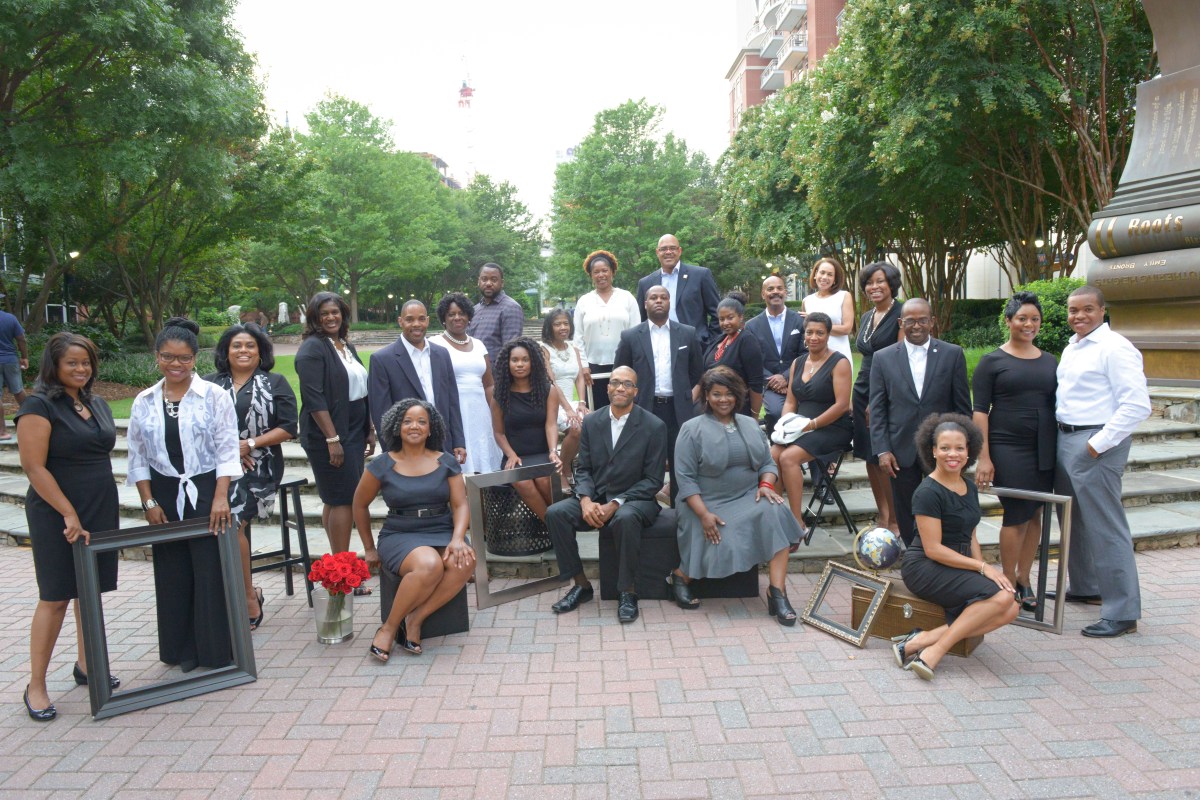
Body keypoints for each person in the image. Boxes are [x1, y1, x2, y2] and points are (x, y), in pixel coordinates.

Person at [127, 317, 240, 673]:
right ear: (157, 357)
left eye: (184, 358)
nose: (176, 364)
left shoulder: (214, 396)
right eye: (168, 357)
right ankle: (179, 649)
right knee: (172, 570)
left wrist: (220, 497)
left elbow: (227, 450)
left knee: (208, 569)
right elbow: (137, 457)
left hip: (206, 489)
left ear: (195, 358)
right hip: (163, 492)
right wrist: (149, 502)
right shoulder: (144, 401)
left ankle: (213, 651)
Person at [17, 333, 119, 721]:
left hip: (99, 505)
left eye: (86, 362)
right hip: (56, 511)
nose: (81, 369)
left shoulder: (95, 403)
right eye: (72, 363)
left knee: (89, 591)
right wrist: (68, 513)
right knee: (56, 595)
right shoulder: (38, 406)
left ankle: (88, 665)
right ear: (54, 366)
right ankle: (36, 685)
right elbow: (34, 467)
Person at [1053, 285, 1151, 638]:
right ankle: (1087, 586)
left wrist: (1096, 445)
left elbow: (1137, 405)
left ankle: (1122, 612)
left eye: (1087, 309)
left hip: (1096, 441)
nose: (1078, 316)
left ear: (1102, 310)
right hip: (1066, 437)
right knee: (1074, 520)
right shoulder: (1073, 347)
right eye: (1073, 310)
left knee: (1106, 525)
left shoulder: (1115, 347)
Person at [672, 367, 803, 624]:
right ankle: (680, 576)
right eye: (716, 394)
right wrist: (703, 514)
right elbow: (685, 480)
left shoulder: (750, 425)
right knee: (718, 537)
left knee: (776, 511)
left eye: (729, 393)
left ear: (738, 395)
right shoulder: (691, 429)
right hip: (703, 502)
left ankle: (777, 592)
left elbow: (767, 463)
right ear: (706, 396)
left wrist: (765, 485)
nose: (724, 399)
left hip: (746, 496)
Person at [894, 414, 1019, 680]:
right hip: (925, 567)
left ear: (969, 451)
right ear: (933, 451)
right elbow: (933, 549)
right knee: (1002, 598)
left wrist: (983, 570)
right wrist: (982, 567)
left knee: (1012, 607)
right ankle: (934, 652)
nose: (953, 454)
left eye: (959, 448)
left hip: (956, 563)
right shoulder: (927, 492)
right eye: (945, 448)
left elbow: (971, 534)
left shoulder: (969, 487)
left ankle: (920, 641)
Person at [545, 366, 667, 623]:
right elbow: (584, 468)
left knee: (624, 517)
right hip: (597, 496)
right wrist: (585, 499)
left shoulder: (654, 426)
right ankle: (581, 585)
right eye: (615, 382)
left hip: (637, 499)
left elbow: (653, 480)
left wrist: (616, 503)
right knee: (556, 513)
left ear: (636, 391)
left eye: (627, 384)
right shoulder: (592, 421)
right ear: (607, 387)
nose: (620, 388)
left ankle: (627, 591)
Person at [358, 400, 474, 660]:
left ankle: (415, 620)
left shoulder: (446, 462)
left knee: (465, 560)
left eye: (422, 422)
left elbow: (460, 504)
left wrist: (458, 538)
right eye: (407, 421)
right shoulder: (381, 464)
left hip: (441, 528)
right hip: (400, 533)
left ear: (430, 429)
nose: (414, 426)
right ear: (397, 427)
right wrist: (369, 548)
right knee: (429, 563)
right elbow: (359, 505)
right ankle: (389, 628)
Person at [204, 322, 298, 630]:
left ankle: (247, 597)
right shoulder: (208, 384)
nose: (243, 350)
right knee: (221, 525)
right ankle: (234, 593)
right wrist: (229, 449)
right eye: (236, 345)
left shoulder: (275, 382)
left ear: (260, 352)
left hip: (258, 465)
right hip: (217, 465)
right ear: (226, 351)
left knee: (232, 523)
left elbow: (289, 427)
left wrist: (250, 444)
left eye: (250, 345)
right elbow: (197, 425)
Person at [972, 292, 1058, 613]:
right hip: (1007, 446)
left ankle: (1024, 578)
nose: (1029, 324)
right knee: (1017, 514)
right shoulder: (991, 362)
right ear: (1008, 321)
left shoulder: (1050, 361)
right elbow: (979, 412)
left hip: (1044, 447)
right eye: (1022, 318)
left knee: (1035, 512)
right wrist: (984, 456)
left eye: (1035, 319)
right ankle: (1007, 582)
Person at [869, 298, 971, 546]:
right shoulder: (883, 358)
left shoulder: (952, 354)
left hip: (942, 448)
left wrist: (961, 448)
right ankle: (915, 555)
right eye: (910, 321)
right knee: (905, 508)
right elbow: (878, 409)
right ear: (900, 323)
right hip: (900, 449)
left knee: (946, 504)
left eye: (922, 320)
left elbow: (962, 408)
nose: (916, 326)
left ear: (932, 322)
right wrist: (882, 450)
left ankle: (945, 553)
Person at [295, 292, 376, 560]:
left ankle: (335, 568)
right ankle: (342, 569)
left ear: (343, 314)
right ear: (314, 318)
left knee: (336, 498)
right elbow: (313, 398)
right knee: (344, 498)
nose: (331, 317)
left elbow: (360, 390)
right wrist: (332, 439)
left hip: (353, 429)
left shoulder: (344, 345)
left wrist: (369, 428)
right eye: (324, 314)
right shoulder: (312, 348)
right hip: (327, 434)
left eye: (335, 312)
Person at [614, 285, 704, 506]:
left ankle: (680, 513)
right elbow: (620, 374)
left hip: (678, 410)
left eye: (663, 297)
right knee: (642, 462)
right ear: (645, 304)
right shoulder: (630, 336)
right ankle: (641, 510)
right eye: (653, 297)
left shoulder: (687, 333)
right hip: (644, 408)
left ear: (669, 302)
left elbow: (698, 373)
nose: (659, 301)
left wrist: (690, 397)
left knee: (680, 463)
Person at [770, 312, 854, 540]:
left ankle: (797, 522)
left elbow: (842, 405)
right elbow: (790, 401)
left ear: (828, 335)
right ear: (804, 335)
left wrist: (812, 424)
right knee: (773, 454)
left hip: (832, 427)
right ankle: (778, 516)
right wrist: (785, 424)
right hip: (801, 425)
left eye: (820, 333)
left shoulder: (840, 362)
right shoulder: (797, 363)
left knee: (788, 458)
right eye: (809, 332)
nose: (814, 337)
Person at [368, 299, 466, 463]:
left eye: (421, 319)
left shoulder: (442, 354)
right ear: (400, 321)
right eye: (409, 319)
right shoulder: (382, 359)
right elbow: (381, 412)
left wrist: (458, 441)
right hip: (405, 448)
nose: (416, 324)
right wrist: (392, 453)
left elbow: (452, 402)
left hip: (443, 445)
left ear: (427, 320)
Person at [852, 261, 904, 533]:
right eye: (869, 283)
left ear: (891, 283)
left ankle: (895, 519)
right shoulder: (866, 316)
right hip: (862, 387)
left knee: (884, 456)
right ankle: (882, 515)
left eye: (880, 281)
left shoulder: (901, 313)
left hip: (886, 391)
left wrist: (878, 401)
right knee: (868, 456)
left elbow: (900, 359)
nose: (874, 287)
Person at [428, 292, 502, 474]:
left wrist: (496, 412)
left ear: (469, 316)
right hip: (454, 411)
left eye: (461, 313)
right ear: (443, 318)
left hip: (480, 411)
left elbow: (488, 384)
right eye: (451, 314)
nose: (457, 317)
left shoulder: (479, 344)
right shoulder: (434, 344)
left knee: (484, 460)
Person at [491, 336, 561, 521]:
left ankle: (558, 522)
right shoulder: (499, 394)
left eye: (525, 360)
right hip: (516, 457)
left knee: (544, 480)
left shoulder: (548, 390)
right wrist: (511, 454)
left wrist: (553, 451)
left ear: (533, 362)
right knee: (523, 483)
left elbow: (551, 424)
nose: (519, 364)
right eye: (514, 360)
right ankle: (553, 526)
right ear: (507, 363)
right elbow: (498, 432)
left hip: (542, 453)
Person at [572, 250, 640, 408]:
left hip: (623, 364)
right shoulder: (584, 301)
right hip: (592, 368)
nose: (601, 275)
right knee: (597, 411)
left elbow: (637, 333)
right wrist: (584, 366)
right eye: (596, 272)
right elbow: (578, 337)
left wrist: (633, 365)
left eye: (605, 270)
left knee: (623, 408)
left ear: (612, 272)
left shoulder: (627, 298)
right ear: (591, 275)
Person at [744, 275, 806, 435]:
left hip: (799, 379)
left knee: (808, 412)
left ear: (785, 292)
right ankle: (777, 446)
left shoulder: (800, 321)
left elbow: (805, 354)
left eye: (779, 288)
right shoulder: (751, 326)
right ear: (763, 294)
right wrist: (774, 381)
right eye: (770, 289)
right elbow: (751, 361)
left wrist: (785, 377)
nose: (775, 292)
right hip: (770, 383)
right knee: (776, 413)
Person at [635, 234, 721, 347]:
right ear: (657, 252)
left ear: (680, 251)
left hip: (695, 346)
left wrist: (710, 343)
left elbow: (718, 312)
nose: (668, 252)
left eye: (672, 248)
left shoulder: (700, 275)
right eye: (663, 249)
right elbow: (641, 320)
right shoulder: (645, 283)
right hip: (658, 347)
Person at [540, 309, 589, 494]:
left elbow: (580, 378)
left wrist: (581, 403)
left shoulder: (574, 348)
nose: (563, 327)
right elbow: (551, 381)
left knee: (593, 423)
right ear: (549, 327)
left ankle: (569, 465)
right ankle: (561, 470)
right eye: (557, 324)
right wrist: (568, 409)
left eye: (566, 323)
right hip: (553, 402)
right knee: (575, 428)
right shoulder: (544, 349)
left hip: (573, 401)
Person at [699, 294, 764, 418]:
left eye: (730, 318)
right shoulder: (720, 339)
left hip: (737, 410)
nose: (725, 323)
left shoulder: (747, 340)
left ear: (741, 317)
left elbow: (755, 383)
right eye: (721, 319)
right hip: (713, 409)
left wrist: (754, 417)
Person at [801, 257, 855, 366]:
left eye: (830, 274)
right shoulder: (807, 301)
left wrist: (816, 323)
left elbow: (847, 329)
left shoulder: (844, 296)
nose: (825, 277)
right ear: (815, 274)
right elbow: (807, 331)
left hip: (839, 356)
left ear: (835, 279)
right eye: (822, 272)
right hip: (814, 358)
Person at [467, 262, 525, 357]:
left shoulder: (511, 308)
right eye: (484, 279)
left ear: (502, 283)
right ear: (478, 281)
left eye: (494, 280)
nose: (488, 283)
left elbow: (510, 350)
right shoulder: (474, 310)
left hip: (496, 366)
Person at [0, 298, 29, 442]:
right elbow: (21, 338)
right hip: (10, 359)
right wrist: (24, 357)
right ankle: (32, 422)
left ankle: (2, 432)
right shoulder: (10, 318)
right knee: (18, 390)